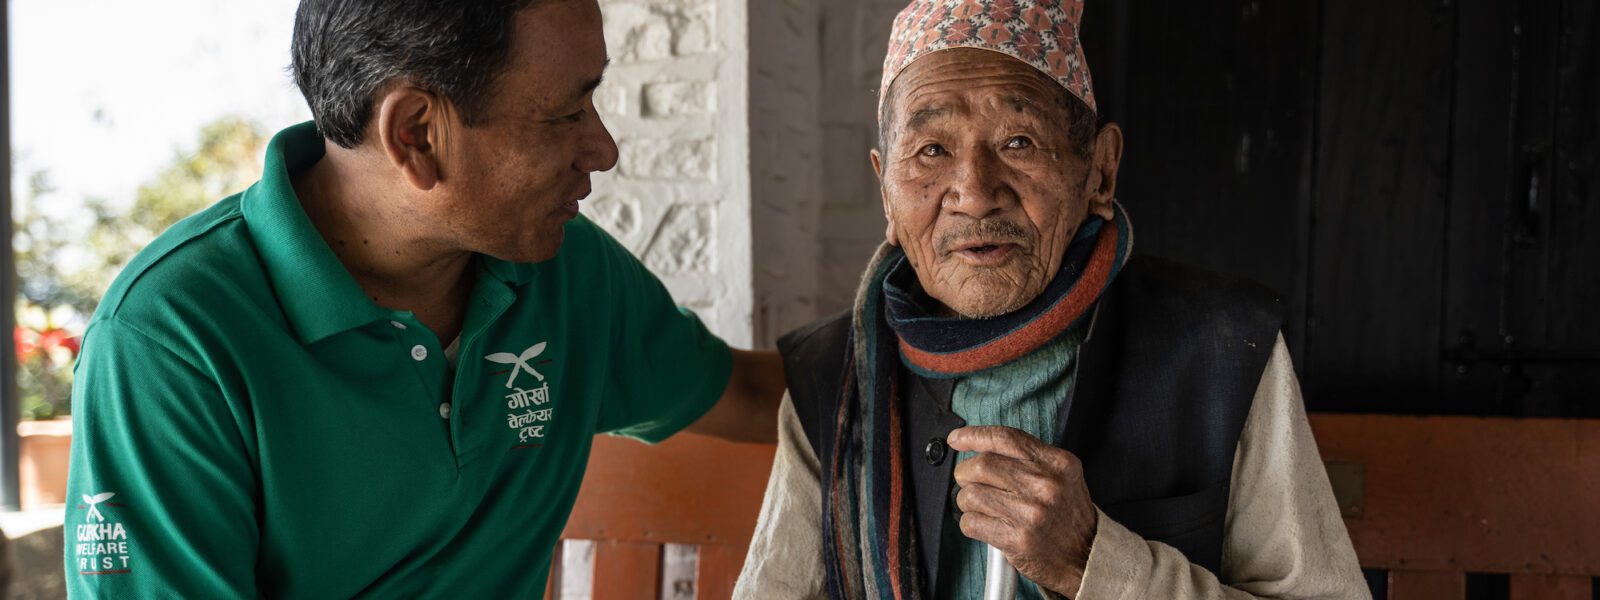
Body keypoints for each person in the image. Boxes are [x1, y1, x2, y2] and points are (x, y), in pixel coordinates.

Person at [62, 0, 784, 596]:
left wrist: (897, 315)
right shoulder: (169, 344)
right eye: (566, 115)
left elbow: (752, 397)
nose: (602, 149)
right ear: (416, 134)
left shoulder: (566, 275)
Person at [735, 0, 1368, 598]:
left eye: (1019, 143)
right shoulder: (835, 375)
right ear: (885, 193)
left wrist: (1095, 559)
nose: (975, 192)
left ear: (1099, 171)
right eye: (932, 150)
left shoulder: (1219, 346)